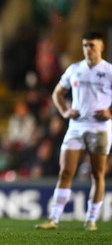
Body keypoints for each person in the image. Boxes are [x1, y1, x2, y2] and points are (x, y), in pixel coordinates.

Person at [35, 31, 112, 231]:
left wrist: (110, 112)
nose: (88, 49)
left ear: (101, 47)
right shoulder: (75, 69)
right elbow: (57, 93)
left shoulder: (109, 71)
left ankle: (91, 220)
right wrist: (65, 111)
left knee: (97, 173)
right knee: (66, 171)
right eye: (85, 45)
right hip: (76, 127)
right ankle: (54, 219)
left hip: (100, 128)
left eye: (92, 45)